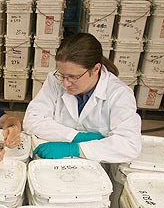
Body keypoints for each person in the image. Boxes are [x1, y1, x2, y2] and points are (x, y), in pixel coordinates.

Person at [23, 33, 141, 163]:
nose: (65, 83)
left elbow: (129, 145)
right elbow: (32, 120)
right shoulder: (55, 81)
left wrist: (75, 149)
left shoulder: (119, 94)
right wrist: (75, 136)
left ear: (96, 69)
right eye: (62, 75)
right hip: (53, 162)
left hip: (94, 168)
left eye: (73, 77)